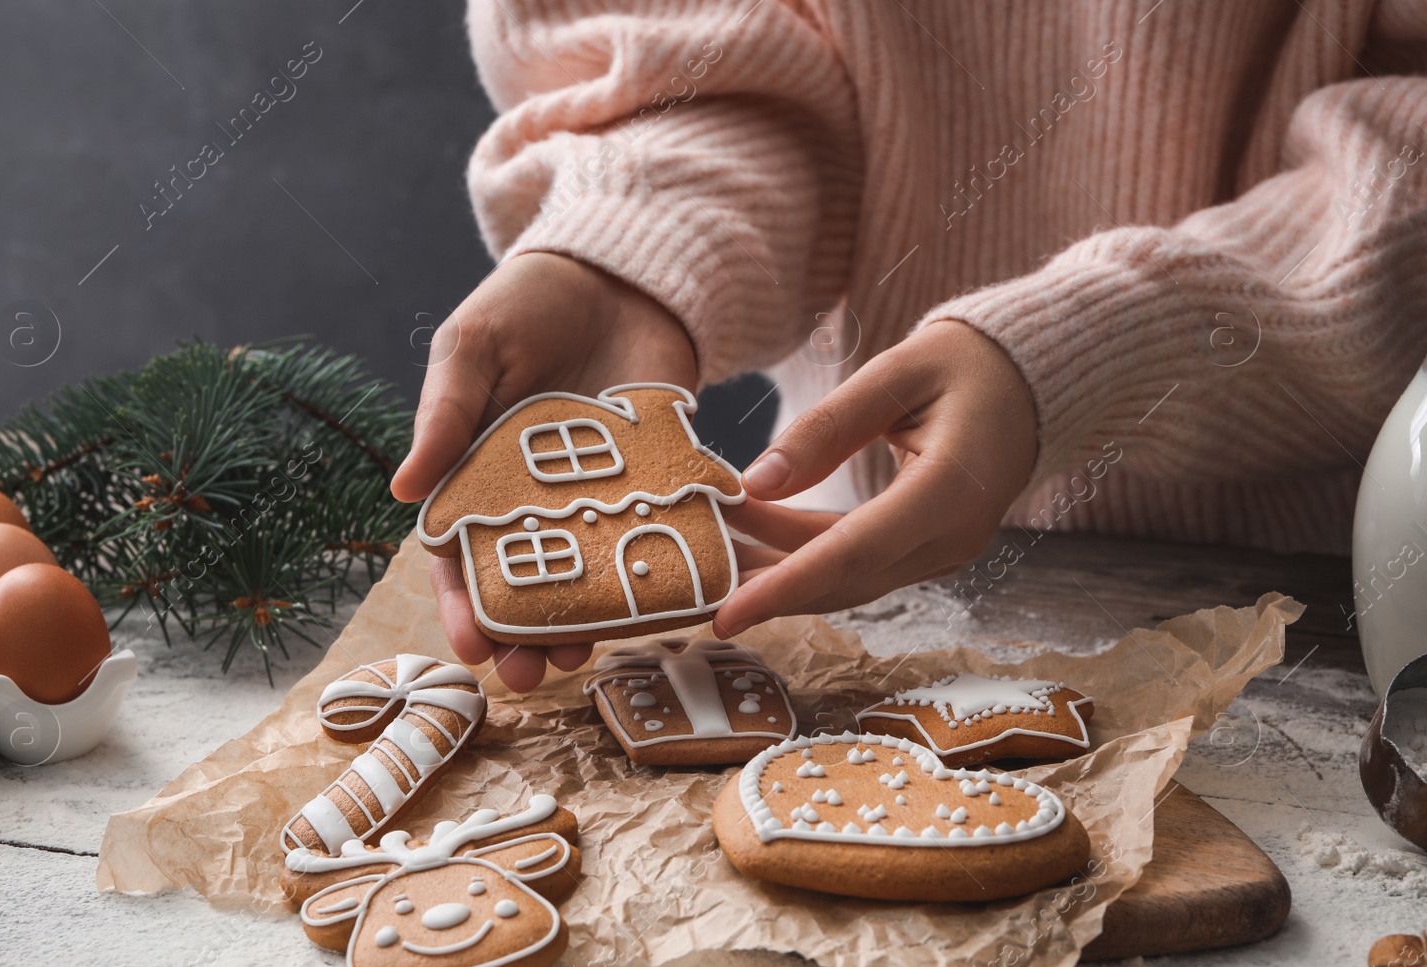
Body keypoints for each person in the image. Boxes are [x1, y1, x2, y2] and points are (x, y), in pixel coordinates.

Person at [391, 0, 1427, 692]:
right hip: (841, 574)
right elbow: (713, 46)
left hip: (1330, 613)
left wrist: (1086, 348)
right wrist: (628, 255)